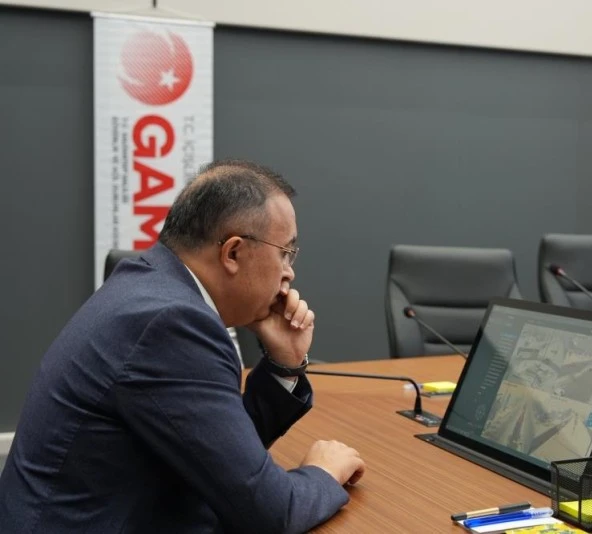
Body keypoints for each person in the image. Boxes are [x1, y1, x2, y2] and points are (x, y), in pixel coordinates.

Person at [0, 160, 366, 533]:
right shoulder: (173, 323)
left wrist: (284, 363)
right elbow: (271, 513)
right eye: (285, 252)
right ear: (233, 253)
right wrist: (323, 472)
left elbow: (218, 454)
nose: (289, 272)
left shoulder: (148, 285)